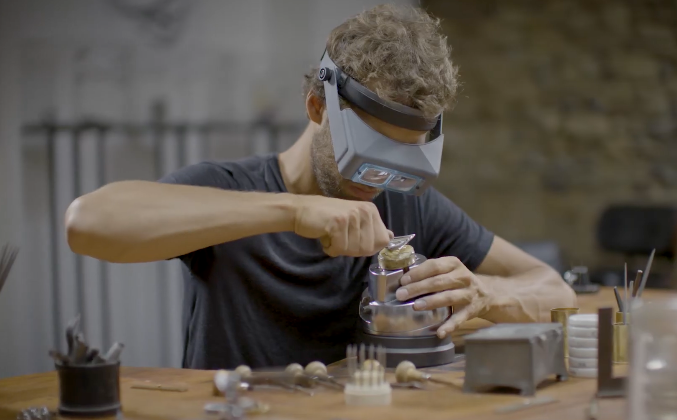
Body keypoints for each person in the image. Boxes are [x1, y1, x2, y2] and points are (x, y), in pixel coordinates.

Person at [64, 4, 577, 369]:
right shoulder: (227, 190)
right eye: (372, 152)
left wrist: (484, 293)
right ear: (316, 107)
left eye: (402, 157)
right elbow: (87, 223)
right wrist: (290, 211)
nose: (381, 179)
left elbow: (556, 292)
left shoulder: (409, 209)